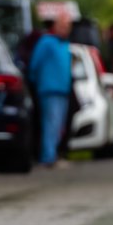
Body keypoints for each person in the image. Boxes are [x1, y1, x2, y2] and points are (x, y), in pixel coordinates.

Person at [28, 12, 73, 169]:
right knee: (50, 124)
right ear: (55, 26)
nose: (66, 29)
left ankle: (53, 154)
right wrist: (36, 82)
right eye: (63, 26)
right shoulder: (46, 42)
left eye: (68, 26)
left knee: (58, 125)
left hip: (63, 90)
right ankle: (48, 157)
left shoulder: (65, 44)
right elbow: (34, 64)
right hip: (49, 90)